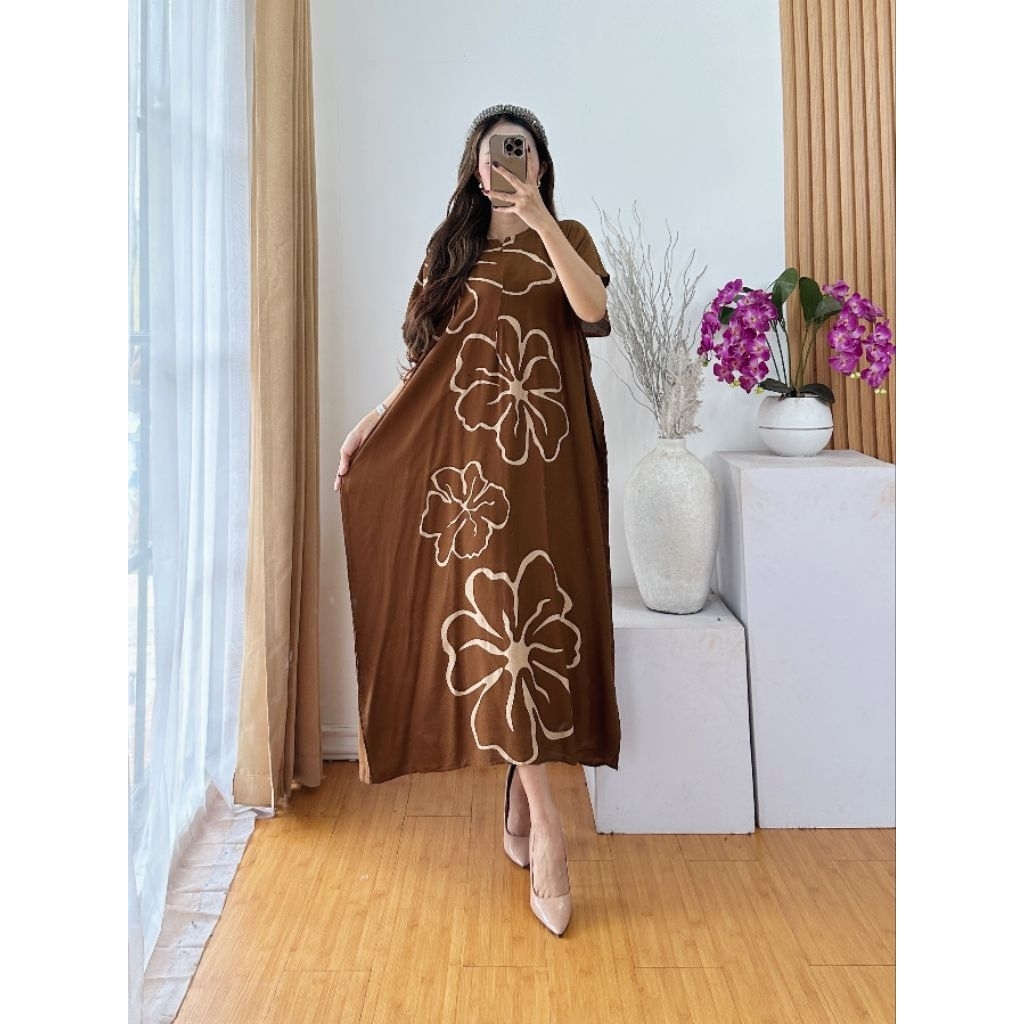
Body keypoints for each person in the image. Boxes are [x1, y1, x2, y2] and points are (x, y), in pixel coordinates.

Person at [335, 103, 621, 937]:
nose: (508, 163)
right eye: (496, 153)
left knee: (546, 625)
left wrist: (540, 220)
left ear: (540, 164)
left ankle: (517, 795)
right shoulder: (449, 251)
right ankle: (551, 829)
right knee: (503, 628)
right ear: (474, 167)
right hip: (474, 472)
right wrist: (375, 420)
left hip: (554, 459)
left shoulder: (568, 235)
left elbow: (593, 314)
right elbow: (427, 358)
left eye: (521, 151)